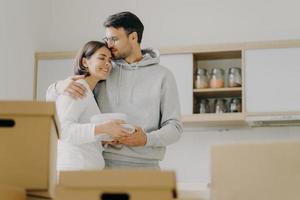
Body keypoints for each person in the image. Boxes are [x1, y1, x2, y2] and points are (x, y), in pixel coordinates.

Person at [47, 11, 183, 169]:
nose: (109, 45)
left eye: (114, 39)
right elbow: (58, 102)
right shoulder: (104, 71)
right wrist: (58, 86)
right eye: (107, 39)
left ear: (133, 37)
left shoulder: (163, 75)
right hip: (104, 166)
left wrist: (146, 139)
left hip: (147, 168)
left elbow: (175, 127)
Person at [55, 41, 131, 171]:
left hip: (84, 170)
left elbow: (80, 134)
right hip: (75, 170)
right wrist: (103, 128)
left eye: (110, 59)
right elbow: (63, 131)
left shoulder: (89, 92)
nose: (107, 63)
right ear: (84, 62)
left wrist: (104, 138)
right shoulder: (78, 88)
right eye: (102, 58)